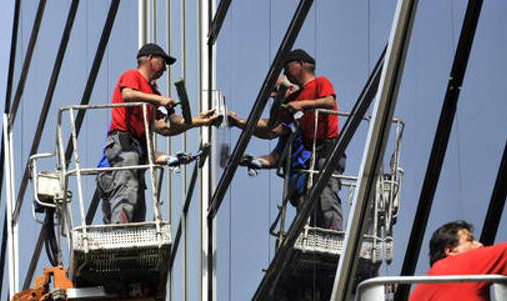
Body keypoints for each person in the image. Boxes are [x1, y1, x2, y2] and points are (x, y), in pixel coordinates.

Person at [98, 43, 222, 225]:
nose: (165, 68)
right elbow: (127, 95)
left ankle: (130, 240)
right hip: (122, 144)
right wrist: (160, 100)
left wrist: (199, 121)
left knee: (138, 204)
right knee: (127, 190)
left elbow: (166, 127)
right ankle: (119, 234)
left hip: (136, 149)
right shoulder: (132, 76)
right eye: (163, 61)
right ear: (149, 58)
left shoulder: (151, 91)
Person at [229, 48, 343, 230]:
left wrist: (302, 105)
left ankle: (334, 232)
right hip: (310, 157)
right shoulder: (297, 98)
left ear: (301, 64)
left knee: (326, 193)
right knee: (310, 203)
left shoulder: (320, 83)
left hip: (327, 147)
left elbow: (329, 102)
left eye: (287, 67)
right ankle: (316, 234)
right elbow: (271, 128)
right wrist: (241, 123)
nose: (285, 71)